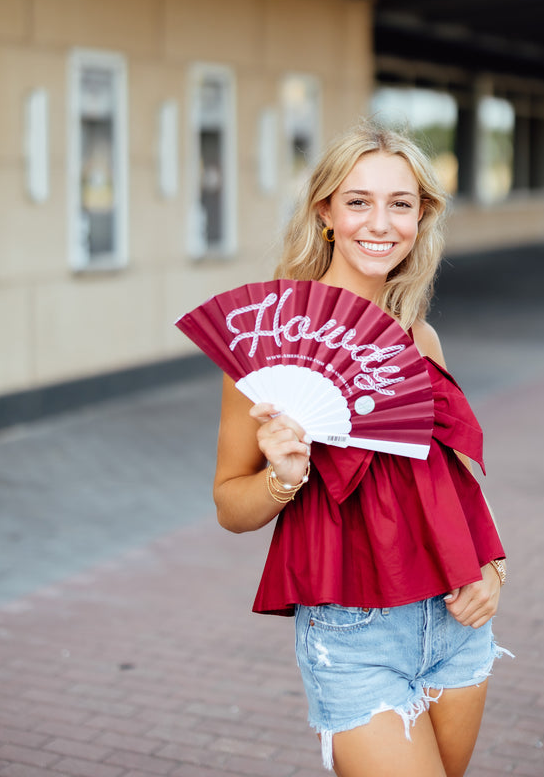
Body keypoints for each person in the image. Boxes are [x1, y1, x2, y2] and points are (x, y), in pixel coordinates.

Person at [213, 122, 510, 777]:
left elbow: (457, 480)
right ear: (325, 212)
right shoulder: (263, 351)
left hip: (455, 619)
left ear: (421, 216)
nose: (381, 223)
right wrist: (281, 478)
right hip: (354, 631)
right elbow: (230, 507)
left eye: (400, 203)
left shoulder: (420, 337)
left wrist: (493, 567)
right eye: (358, 201)